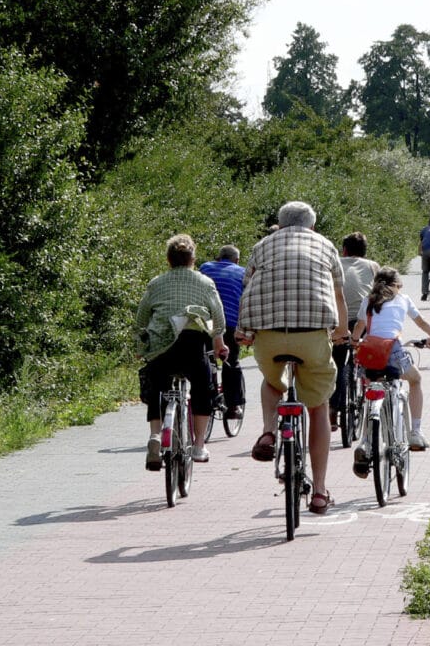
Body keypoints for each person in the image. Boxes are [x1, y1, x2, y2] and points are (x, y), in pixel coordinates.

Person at [235, 201, 349, 515]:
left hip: (269, 333)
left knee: (273, 383)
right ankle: (320, 492)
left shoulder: (262, 245)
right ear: (311, 225)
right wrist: (340, 332)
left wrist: (245, 329)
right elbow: (338, 294)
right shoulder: (324, 245)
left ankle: (270, 431)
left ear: (281, 224)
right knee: (319, 406)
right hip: (312, 334)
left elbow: (249, 287)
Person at [135, 234, 229, 469]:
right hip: (192, 345)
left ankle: (155, 435)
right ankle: (198, 445)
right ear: (193, 259)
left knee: (156, 387)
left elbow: (141, 318)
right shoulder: (204, 282)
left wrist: (141, 346)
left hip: (161, 347)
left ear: (168, 259)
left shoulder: (156, 283)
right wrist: (219, 344)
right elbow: (218, 319)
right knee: (203, 388)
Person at [350, 267, 430, 471]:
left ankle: (365, 440)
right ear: (397, 285)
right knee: (415, 379)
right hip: (393, 350)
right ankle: (415, 432)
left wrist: (354, 342)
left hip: (371, 353)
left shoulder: (369, 300)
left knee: (370, 391)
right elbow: (421, 321)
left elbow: (359, 327)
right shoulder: (403, 299)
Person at [330, 232, 380, 430]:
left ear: (344, 250)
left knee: (337, 364)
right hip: (364, 320)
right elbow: (378, 293)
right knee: (368, 358)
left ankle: (333, 410)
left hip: (337, 321)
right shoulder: (372, 266)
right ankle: (372, 397)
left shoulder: (334, 263)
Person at [199, 245, 247, 419]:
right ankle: (233, 406)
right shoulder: (242, 273)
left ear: (218, 258)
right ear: (237, 260)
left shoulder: (205, 267)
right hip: (230, 323)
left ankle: (208, 398)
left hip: (205, 322)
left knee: (207, 361)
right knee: (231, 361)